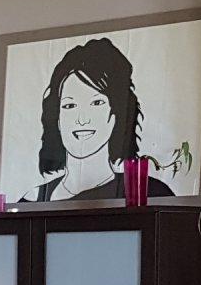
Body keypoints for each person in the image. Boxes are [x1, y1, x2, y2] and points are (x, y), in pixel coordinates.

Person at [19, 37, 173, 202]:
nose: (82, 120)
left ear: (116, 113)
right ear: (57, 118)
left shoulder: (149, 192)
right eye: (70, 105)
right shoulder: (33, 200)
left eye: (96, 103)